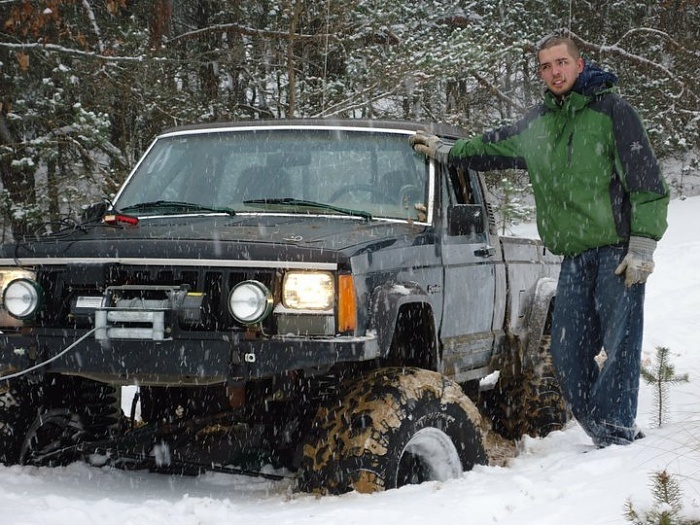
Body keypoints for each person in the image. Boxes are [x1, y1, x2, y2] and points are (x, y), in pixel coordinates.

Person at [410, 35, 669, 448]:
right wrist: (450, 151)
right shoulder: (539, 122)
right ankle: (608, 434)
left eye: (561, 63)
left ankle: (616, 439)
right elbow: (491, 146)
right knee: (566, 358)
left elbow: (647, 181)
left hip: (616, 253)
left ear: (580, 64)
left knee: (621, 348)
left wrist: (643, 244)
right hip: (573, 259)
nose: (555, 72)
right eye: (546, 67)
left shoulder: (613, 112)